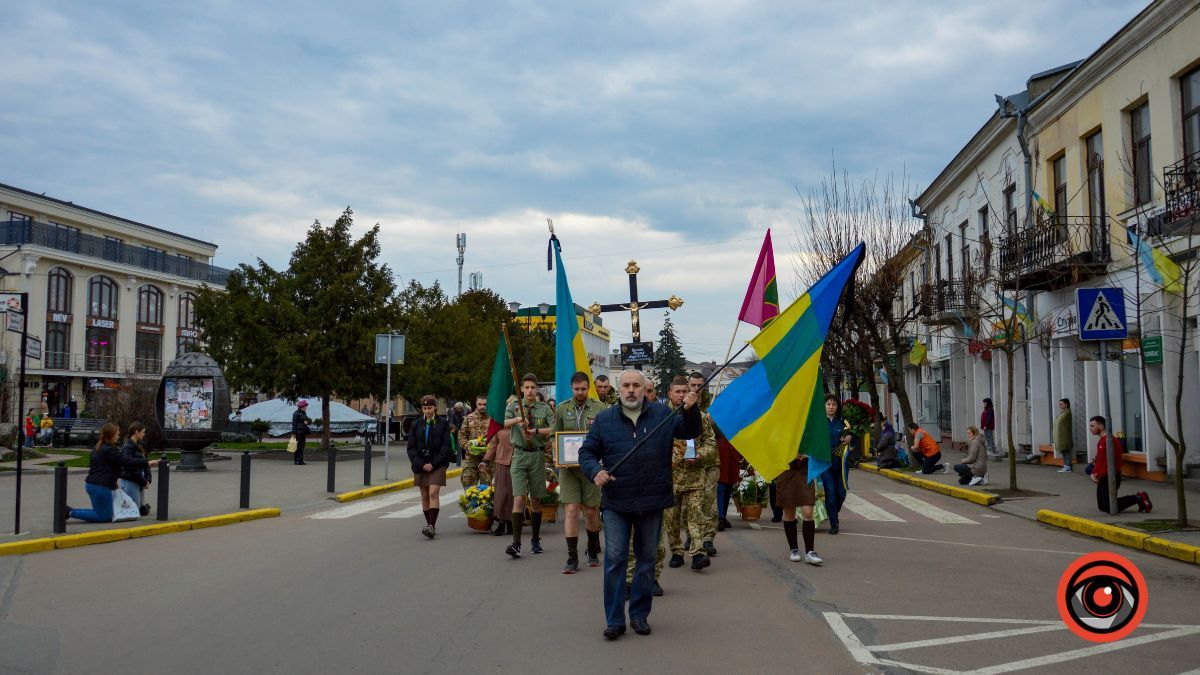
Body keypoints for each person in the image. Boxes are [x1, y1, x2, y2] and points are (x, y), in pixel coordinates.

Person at [579, 369, 701, 640]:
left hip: (651, 500)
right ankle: (614, 620)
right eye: (626, 385)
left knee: (646, 561)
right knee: (615, 560)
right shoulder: (604, 420)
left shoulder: (662, 414)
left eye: (636, 385)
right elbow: (586, 452)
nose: (631, 390)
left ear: (645, 388)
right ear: (618, 389)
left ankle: (639, 615)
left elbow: (690, 431)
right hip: (616, 502)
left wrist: (691, 410)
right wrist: (594, 471)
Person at [554, 371, 607, 573]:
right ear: (571, 388)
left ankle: (592, 551)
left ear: (588, 388)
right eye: (576, 389)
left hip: (591, 468)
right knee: (572, 510)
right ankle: (572, 557)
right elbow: (554, 436)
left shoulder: (600, 409)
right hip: (568, 470)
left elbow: (605, 437)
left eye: (583, 389)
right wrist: (557, 456)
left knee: (592, 511)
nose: (580, 392)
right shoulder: (562, 409)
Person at [663, 376, 716, 571]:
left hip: (695, 475)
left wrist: (700, 455)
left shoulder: (701, 417)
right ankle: (676, 551)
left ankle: (698, 552)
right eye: (677, 392)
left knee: (696, 514)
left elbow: (711, 443)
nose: (681, 395)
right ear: (669, 393)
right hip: (671, 477)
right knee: (672, 517)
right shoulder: (663, 416)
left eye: (685, 391)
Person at [504, 373, 554, 558]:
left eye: (533, 387)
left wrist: (537, 431)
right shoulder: (514, 407)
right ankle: (516, 543)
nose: (530, 391)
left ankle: (535, 539)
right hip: (519, 455)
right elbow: (502, 422)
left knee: (535, 500)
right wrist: (518, 420)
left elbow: (554, 428)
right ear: (522, 389)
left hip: (536, 456)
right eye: (527, 387)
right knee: (518, 498)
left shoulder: (544, 408)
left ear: (537, 389)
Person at [68, 423, 159, 523]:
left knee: (99, 512)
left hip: (92, 484)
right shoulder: (110, 450)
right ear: (111, 435)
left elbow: (106, 467)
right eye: (117, 434)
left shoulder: (98, 447)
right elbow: (126, 461)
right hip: (101, 486)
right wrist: (147, 462)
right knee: (104, 517)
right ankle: (70, 512)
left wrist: (114, 479)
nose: (118, 436)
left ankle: (69, 510)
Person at [407, 395, 453, 538]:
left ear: (435, 408)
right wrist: (421, 463)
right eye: (425, 408)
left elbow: (446, 446)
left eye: (430, 408)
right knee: (425, 495)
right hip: (421, 464)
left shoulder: (443, 423)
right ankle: (429, 525)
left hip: (437, 464)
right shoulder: (416, 424)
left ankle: (431, 525)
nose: (427, 411)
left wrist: (433, 463)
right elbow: (411, 448)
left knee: (433, 492)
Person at [1088, 416, 1151, 515]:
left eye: (1092, 426)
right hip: (1103, 476)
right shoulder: (1101, 441)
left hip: (1110, 476)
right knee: (1102, 506)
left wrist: (1097, 475)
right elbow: (1100, 461)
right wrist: (1093, 473)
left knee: (1108, 506)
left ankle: (1138, 498)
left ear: (1101, 426)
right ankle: (1137, 498)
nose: (1090, 428)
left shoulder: (1109, 441)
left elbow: (1109, 463)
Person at [688, 371, 719, 557]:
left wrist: (713, 423)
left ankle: (707, 538)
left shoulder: (713, 405)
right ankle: (693, 536)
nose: (696, 389)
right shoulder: (682, 401)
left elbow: (721, 436)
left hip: (709, 462)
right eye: (693, 385)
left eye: (700, 385)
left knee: (708, 500)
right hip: (688, 462)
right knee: (689, 504)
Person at [818, 395, 853, 535]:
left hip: (841, 465)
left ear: (837, 406)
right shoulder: (819, 423)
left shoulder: (844, 423)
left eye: (833, 404)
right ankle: (834, 522)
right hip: (825, 464)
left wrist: (850, 438)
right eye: (828, 404)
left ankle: (831, 511)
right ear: (824, 406)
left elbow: (853, 437)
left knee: (841, 494)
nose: (831, 406)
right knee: (830, 493)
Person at [482, 401, 516, 536]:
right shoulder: (499, 423)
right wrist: (485, 460)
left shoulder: (520, 422)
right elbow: (494, 444)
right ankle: (501, 523)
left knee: (514, 495)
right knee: (501, 494)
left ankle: (512, 524)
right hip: (502, 461)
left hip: (517, 461)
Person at [119, 422, 153, 516]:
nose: (144, 434)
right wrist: (143, 482)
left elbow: (145, 463)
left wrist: (148, 479)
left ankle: (145, 507)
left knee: (139, 509)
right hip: (131, 480)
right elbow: (130, 467)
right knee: (133, 511)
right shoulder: (127, 447)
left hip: (139, 479)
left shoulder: (140, 445)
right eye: (143, 432)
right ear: (136, 432)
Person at [459, 396, 491, 489]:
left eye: (485, 404)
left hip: (488, 460)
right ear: (476, 404)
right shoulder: (469, 418)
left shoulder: (493, 419)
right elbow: (462, 435)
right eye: (479, 404)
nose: (482, 407)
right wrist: (467, 446)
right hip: (471, 458)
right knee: (468, 483)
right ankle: (470, 503)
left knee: (487, 488)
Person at [714, 425, 741, 531]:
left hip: (732, 455)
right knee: (720, 488)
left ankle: (723, 516)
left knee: (728, 489)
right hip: (720, 454)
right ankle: (720, 517)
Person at [1055, 398, 1074, 473]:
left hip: (1065, 435)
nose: (1059, 405)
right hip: (1061, 435)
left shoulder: (1067, 413)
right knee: (1064, 451)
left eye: (1061, 404)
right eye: (1059, 404)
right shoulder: (1062, 413)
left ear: (1066, 404)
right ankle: (1066, 466)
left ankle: (1067, 467)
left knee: (1066, 451)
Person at [291, 400, 311, 465]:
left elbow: (306, 421)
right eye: (305, 406)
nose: (306, 407)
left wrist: (307, 422)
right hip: (298, 432)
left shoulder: (304, 413)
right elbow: (294, 424)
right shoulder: (296, 413)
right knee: (297, 447)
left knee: (302, 447)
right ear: (302, 406)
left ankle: (301, 460)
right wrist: (294, 433)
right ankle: (297, 460)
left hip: (303, 432)